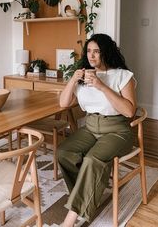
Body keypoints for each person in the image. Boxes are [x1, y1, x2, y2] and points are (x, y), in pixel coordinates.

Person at [57, 33, 136, 227]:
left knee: (93, 159)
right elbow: (63, 103)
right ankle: (88, 193)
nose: (92, 56)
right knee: (63, 152)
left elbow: (129, 111)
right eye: (89, 51)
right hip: (91, 127)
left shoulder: (122, 76)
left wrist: (102, 86)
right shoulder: (84, 74)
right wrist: (73, 80)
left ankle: (71, 218)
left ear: (106, 52)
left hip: (117, 130)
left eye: (97, 51)